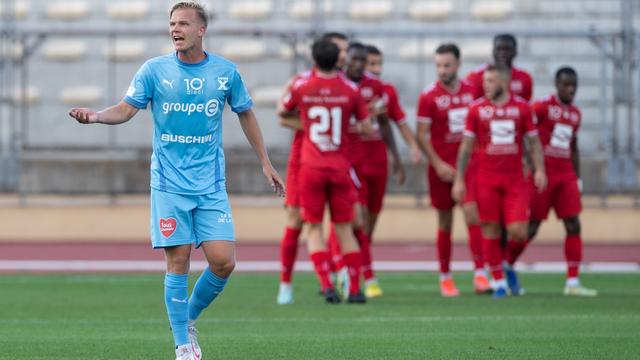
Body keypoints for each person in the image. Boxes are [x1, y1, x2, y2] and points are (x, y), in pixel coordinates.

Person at [68, 2, 285, 359]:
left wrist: (265, 162)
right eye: (172, 23)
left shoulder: (225, 73)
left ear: (202, 30)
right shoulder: (154, 70)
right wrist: (95, 116)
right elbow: (125, 109)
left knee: (224, 262)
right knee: (178, 261)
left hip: (210, 183)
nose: (175, 29)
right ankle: (183, 345)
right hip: (168, 183)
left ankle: (185, 319)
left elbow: (245, 112)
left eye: (184, 23)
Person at [279, 38, 372, 304]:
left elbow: (283, 113)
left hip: (311, 166)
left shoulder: (303, 86)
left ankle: (326, 284)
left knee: (314, 227)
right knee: (344, 228)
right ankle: (355, 288)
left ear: (314, 60)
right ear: (338, 60)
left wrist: (307, 124)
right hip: (340, 165)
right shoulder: (350, 89)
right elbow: (365, 127)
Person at [451, 64, 547, 299]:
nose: (486, 85)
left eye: (491, 81)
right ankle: (499, 281)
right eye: (484, 81)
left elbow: (533, 142)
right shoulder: (476, 109)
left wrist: (539, 170)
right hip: (486, 178)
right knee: (490, 229)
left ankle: (504, 263)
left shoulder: (522, 108)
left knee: (518, 232)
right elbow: (465, 146)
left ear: (504, 83)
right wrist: (459, 179)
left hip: (515, 178)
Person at [505, 67, 597, 296]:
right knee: (532, 227)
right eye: (566, 85)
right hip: (543, 174)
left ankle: (573, 283)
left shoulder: (575, 113)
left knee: (574, 224)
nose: (571, 89)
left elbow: (573, 147)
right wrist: (528, 162)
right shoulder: (541, 107)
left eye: (574, 85)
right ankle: (505, 264)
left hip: (565, 174)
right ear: (556, 85)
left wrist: (578, 178)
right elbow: (525, 132)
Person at [326, 42, 404, 299]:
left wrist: (397, 157)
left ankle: (349, 269)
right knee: (351, 220)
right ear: (345, 60)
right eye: (355, 59)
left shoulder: (377, 87)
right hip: (345, 161)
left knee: (366, 224)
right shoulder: (337, 86)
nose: (359, 65)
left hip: (373, 162)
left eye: (363, 60)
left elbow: (382, 124)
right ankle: (360, 274)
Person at [416, 43, 491, 297]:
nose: (442, 70)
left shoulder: (473, 91)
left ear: (458, 65)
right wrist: (437, 164)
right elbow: (422, 135)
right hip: (440, 168)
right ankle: (445, 277)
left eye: (447, 65)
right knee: (445, 221)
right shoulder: (428, 96)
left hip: (468, 167)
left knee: (472, 214)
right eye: (438, 65)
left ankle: (480, 273)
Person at [466, 34, 533, 102]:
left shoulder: (524, 77)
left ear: (515, 51)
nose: (503, 53)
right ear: (493, 51)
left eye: (507, 49)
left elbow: (525, 106)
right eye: (499, 49)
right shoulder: (476, 76)